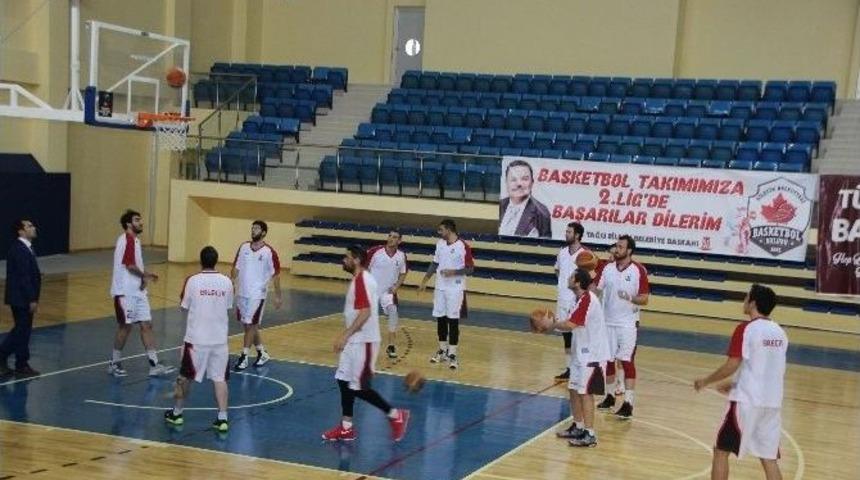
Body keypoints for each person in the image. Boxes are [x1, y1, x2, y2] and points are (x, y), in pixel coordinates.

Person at [694, 284, 787, 480]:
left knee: (721, 450)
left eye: (746, 298)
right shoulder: (780, 332)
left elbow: (732, 364)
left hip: (747, 402)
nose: (743, 301)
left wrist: (706, 381)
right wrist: (735, 383)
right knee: (769, 459)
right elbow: (763, 365)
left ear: (752, 303)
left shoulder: (746, 329)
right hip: (772, 404)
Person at [321, 246, 410, 442]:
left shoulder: (362, 280)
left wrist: (345, 335)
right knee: (343, 380)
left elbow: (366, 312)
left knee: (359, 387)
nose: (343, 260)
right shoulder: (360, 279)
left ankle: (396, 415)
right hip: (355, 341)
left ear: (357, 260)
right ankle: (346, 428)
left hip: (364, 341)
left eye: (347, 257)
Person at [537, 268, 610, 448]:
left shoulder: (587, 299)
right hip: (580, 353)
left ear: (577, 282)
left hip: (592, 354)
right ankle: (578, 426)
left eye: (571, 277)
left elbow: (570, 324)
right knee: (574, 389)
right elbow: (567, 324)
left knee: (585, 392)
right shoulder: (577, 300)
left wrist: (551, 325)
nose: (568, 279)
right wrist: (551, 325)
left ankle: (590, 434)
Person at [164, 246, 234, 432]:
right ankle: (223, 419)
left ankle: (177, 414)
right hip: (219, 340)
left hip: (196, 340)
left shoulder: (192, 281)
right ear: (216, 260)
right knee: (220, 379)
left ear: (201, 260)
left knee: (185, 377)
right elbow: (228, 306)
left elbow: (184, 307)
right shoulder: (227, 282)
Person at [107, 210, 174, 377]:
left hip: (137, 291)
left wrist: (144, 277)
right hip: (125, 292)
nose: (141, 222)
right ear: (128, 224)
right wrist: (145, 276)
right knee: (125, 327)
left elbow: (134, 265)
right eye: (137, 220)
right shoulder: (127, 239)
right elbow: (129, 265)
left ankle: (154, 364)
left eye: (140, 219)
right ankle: (114, 363)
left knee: (146, 325)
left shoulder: (135, 241)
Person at [595, 234, 649, 419]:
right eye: (616, 246)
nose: (616, 249)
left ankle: (628, 403)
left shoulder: (638, 270)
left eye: (620, 246)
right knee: (608, 361)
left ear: (629, 251)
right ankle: (609, 396)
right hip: (607, 322)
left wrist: (630, 297)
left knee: (626, 361)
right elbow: (596, 290)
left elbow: (645, 299)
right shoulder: (607, 268)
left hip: (627, 324)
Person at [419, 219, 474, 370]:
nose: (439, 233)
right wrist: (425, 280)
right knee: (440, 318)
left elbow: (470, 269)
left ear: (449, 230)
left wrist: (454, 272)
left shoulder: (463, 246)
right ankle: (442, 350)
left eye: (441, 230)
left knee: (453, 320)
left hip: (455, 289)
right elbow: (435, 263)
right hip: (440, 287)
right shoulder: (440, 244)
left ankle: (453, 354)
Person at [231, 220, 282, 371]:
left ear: (264, 233)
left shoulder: (269, 252)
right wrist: (232, 282)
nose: (253, 230)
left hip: (257, 294)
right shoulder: (244, 247)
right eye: (252, 228)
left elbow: (276, 275)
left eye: (257, 228)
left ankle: (244, 356)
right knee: (249, 325)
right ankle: (261, 352)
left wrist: (278, 296)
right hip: (242, 292)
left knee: (250, 324)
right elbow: (235, 267)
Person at [1, 220, 41, 378]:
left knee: (23, 330)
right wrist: (32, 298)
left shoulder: (26, 248)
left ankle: (21, 363)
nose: (33, 228)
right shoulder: (20, 250)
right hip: (21, 297)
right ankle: (4, 355)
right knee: (21, 330)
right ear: (21, 231)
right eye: (29, 226)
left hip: (21, 296)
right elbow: (23, 277)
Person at [365, 229, 409, 359]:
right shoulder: (375, 251)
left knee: (393, 313)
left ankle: (391, 346)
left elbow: (403, 272)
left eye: (395, 237)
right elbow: (364, 268)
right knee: (365, 317)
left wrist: (397, 286)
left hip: (387, 292)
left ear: (399, 241)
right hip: (371, 290)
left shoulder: (401, 256)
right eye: (389, 236)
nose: (391, 238)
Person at [553, 222, 587, 381]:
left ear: (577, 235)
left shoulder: (585, 255)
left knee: (578, 335)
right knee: (566, 336)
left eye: (569, 232)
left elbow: (588, 279)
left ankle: (580, 367)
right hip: (562, 299)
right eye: (566, 231)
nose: (566, 234)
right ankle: (569, 368)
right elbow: (557, 270)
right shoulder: (562, 252)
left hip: (576, 301)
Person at [498, 160, 552, 238]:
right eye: (513, 179)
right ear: (506, 182)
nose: (519, 184)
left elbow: (546, 245)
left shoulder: (541, 212)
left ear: (532, 182)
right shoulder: (499, 205)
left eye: (524, 179)